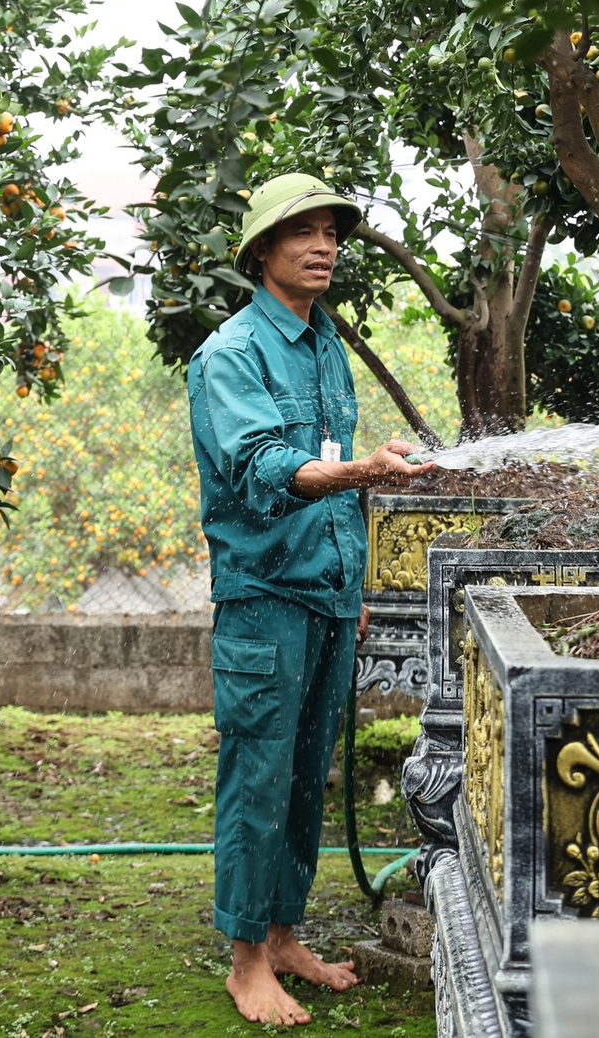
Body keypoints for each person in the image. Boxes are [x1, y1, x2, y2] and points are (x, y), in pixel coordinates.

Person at [186, 173, 435, 1026]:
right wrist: (366, 468)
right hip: (263, 598)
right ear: (262, 252)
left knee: (305, 774)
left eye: (332, 232)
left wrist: (353, 580)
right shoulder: (231, 355)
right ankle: (246, 960)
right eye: (303, 234)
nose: (324, 246)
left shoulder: (325, 343)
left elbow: (335, 475)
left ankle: (285, 934)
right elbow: (265, 468)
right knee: (258, 771)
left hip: (327, 594)